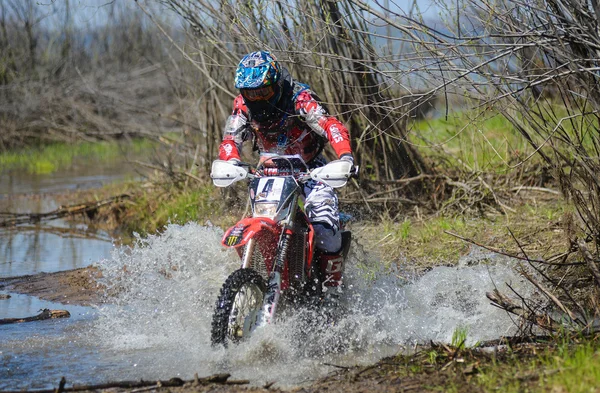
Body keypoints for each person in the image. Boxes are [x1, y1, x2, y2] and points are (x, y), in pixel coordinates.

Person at [217, 50, 355, 291]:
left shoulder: (299, 98)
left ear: (277, 84)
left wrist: (345, 156)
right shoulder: (243, 106)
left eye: (263, 91)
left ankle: (331, 291)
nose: (257, 98)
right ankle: (262, 277)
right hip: (269, 171)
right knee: (259, 220)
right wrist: (230, 161)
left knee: (325, 227)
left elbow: (330, 125)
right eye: (251, 93)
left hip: (310, 170)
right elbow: (231, 139)